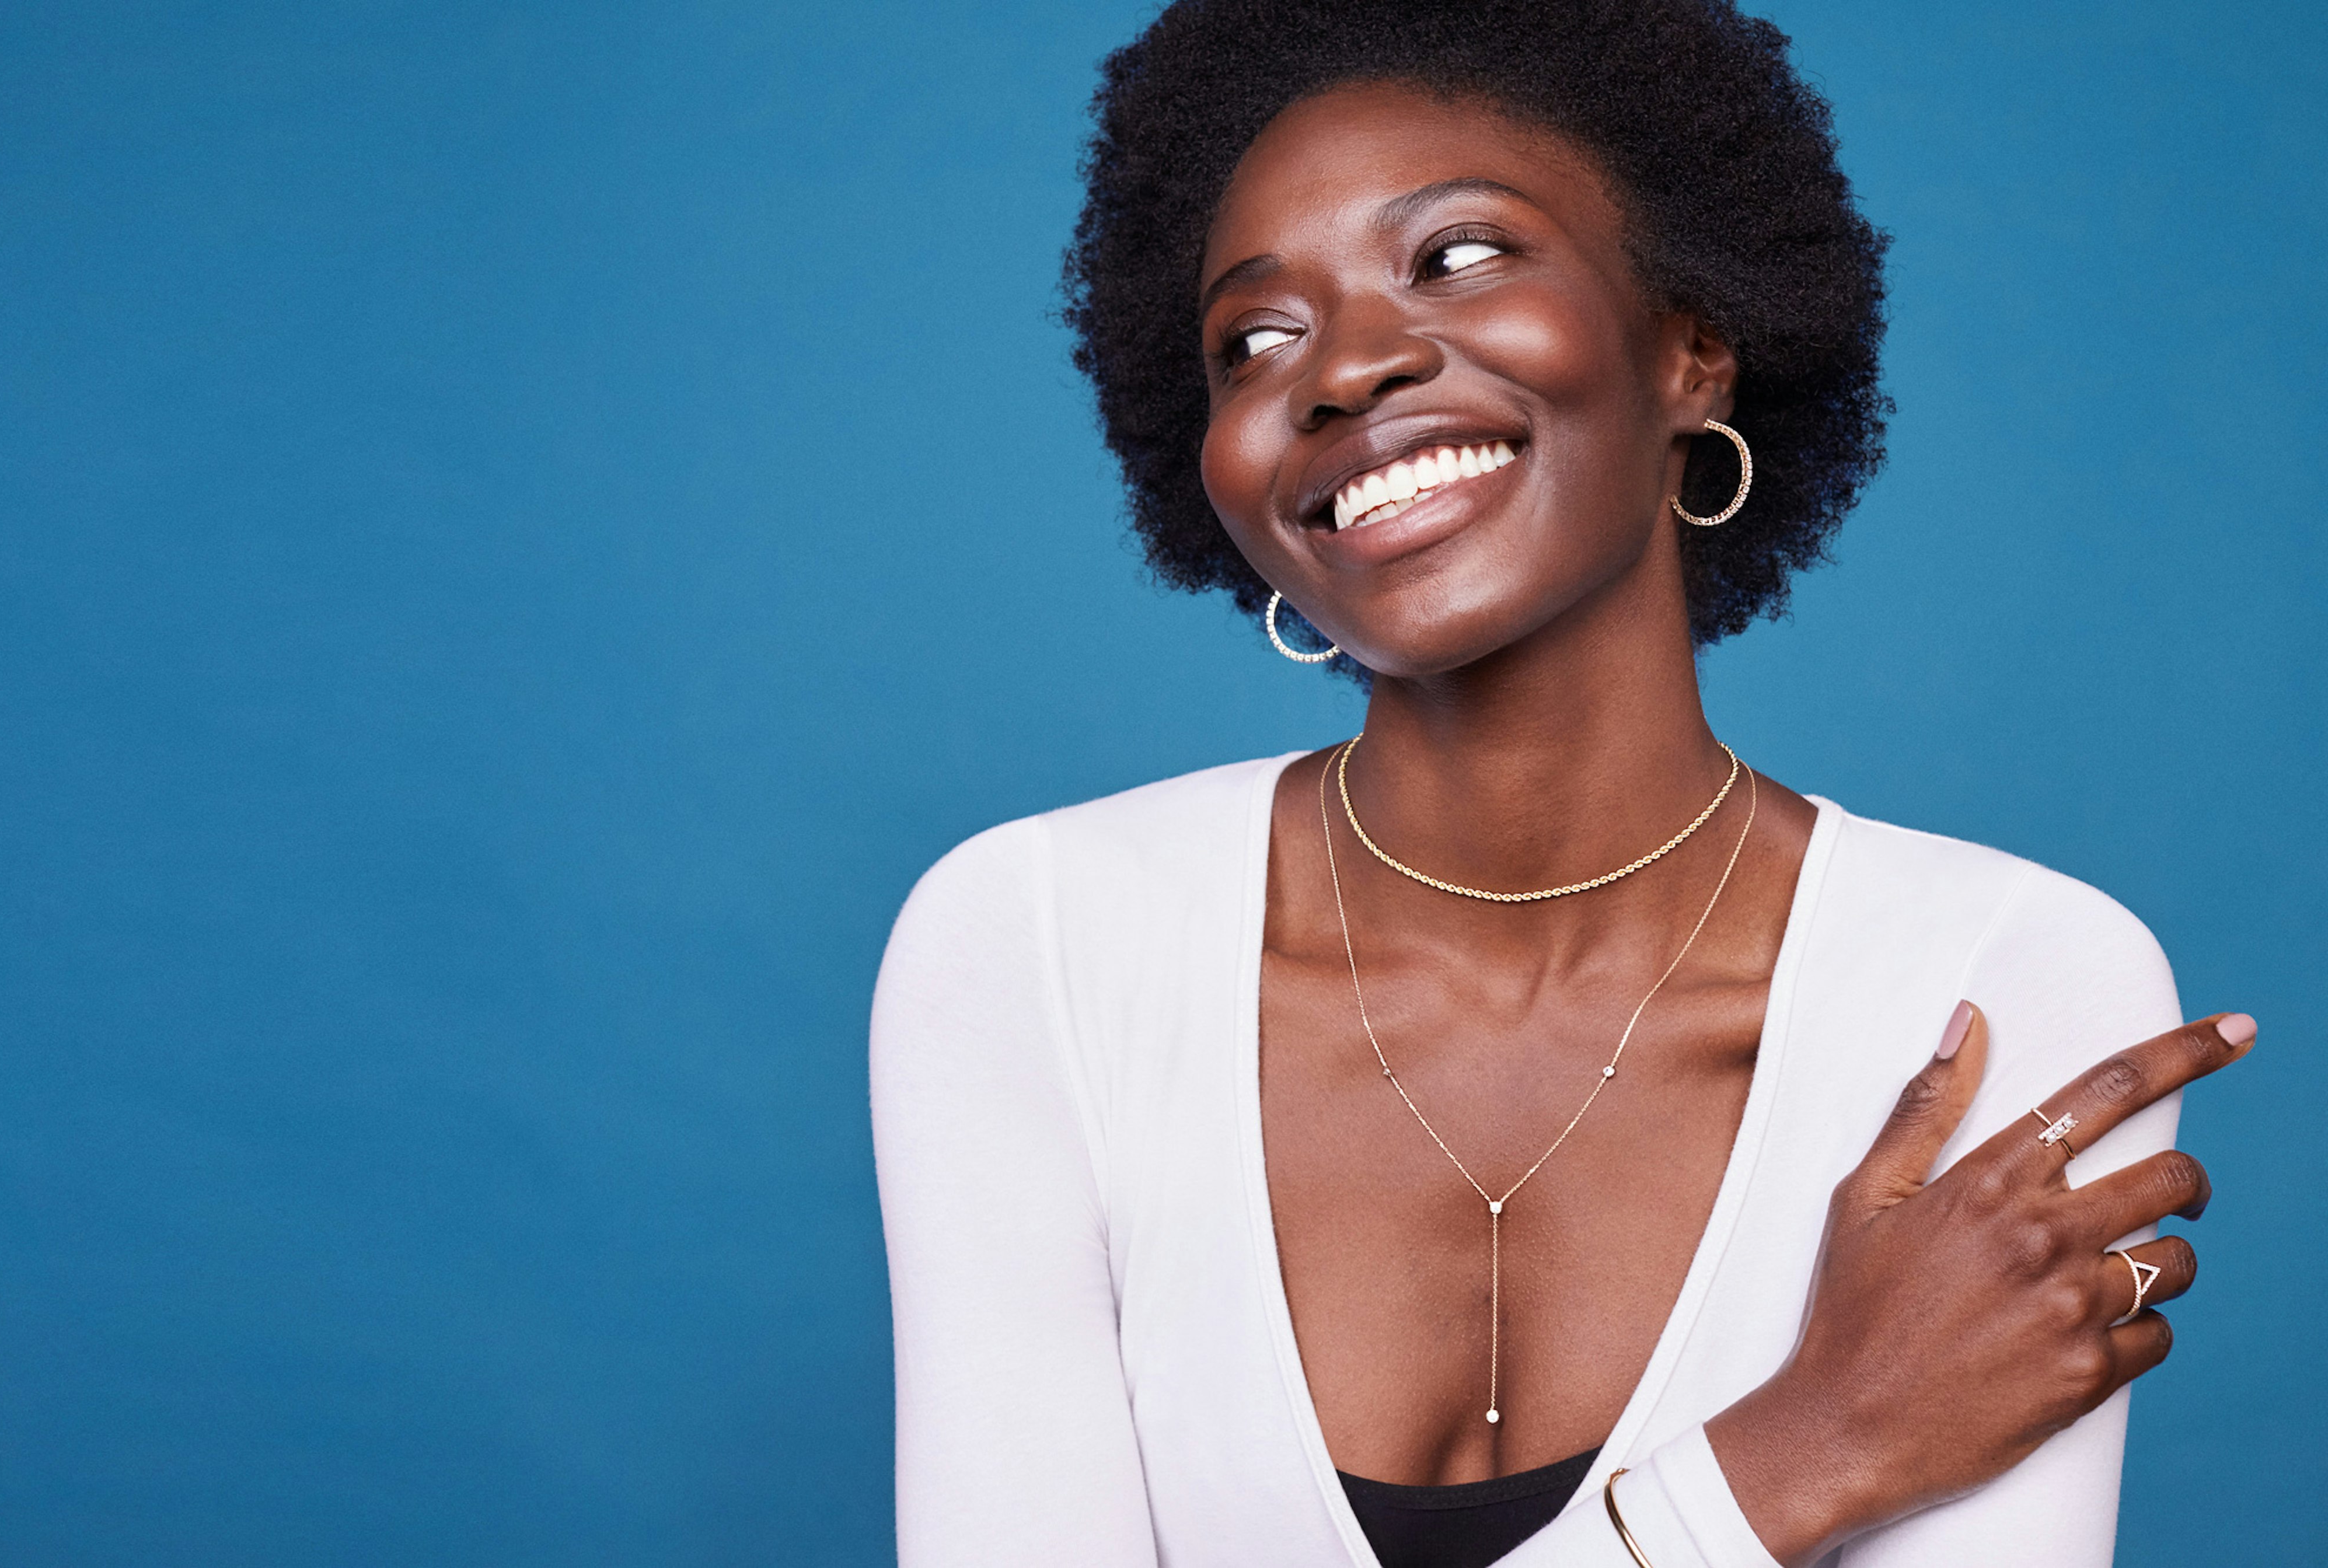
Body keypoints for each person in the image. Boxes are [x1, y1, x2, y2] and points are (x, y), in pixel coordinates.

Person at [870, 2, 2251, 1563]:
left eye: (1458, 255)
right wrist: (1802, 1458)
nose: (1345, 369)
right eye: (1255, 341)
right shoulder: (1039, 947)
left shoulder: (2002, 983)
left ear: (1688, 352)